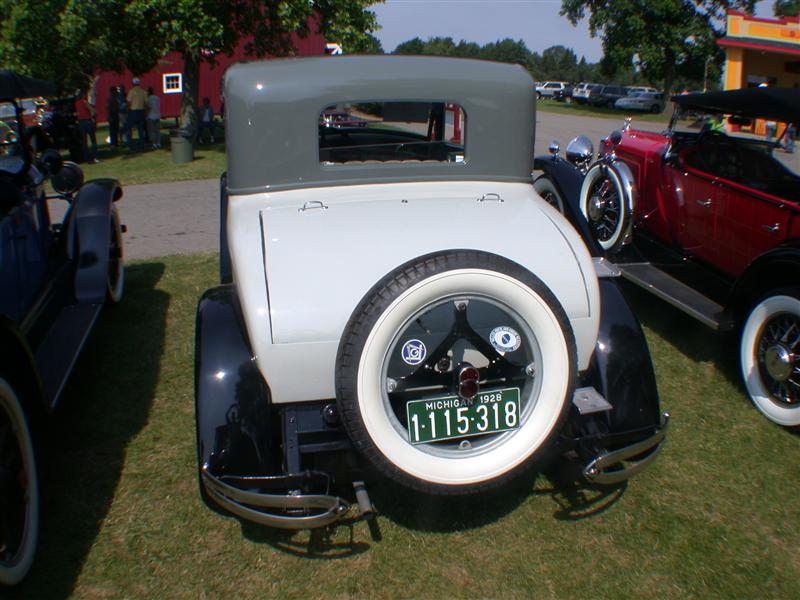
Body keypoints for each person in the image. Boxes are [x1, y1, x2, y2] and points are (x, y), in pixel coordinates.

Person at [75, 90, 99, 163]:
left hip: (81, 123)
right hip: (88, 121)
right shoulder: (84, 102)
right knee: (93, 140)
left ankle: (87, 158)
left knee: (84, 142)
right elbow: (93, 111)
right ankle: (95, 157)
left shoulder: (76, 103)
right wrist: (94, 111)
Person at [126, 77, 147, 151]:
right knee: (141, 130)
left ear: (132, 83)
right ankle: (141, 146)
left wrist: (128, 109)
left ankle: (130, 146)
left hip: (133, 111)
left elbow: (128, 102)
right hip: (141, 111)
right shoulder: (143, 92)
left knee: (129, 129)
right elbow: (146, 103)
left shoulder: (131, 91)